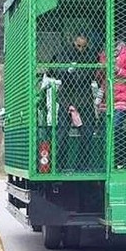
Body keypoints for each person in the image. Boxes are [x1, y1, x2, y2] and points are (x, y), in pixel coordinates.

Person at [49, 34, 97, 171]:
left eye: (84, 46)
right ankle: (59, 164)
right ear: (74, 42)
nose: (81, 49)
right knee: (62, 131)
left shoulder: (90, 54)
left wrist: (80, 70)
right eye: (79, 46)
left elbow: (92, 72)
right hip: (67, 95)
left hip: (84, 96)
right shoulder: (64, 52)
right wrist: (66, 70)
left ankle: (82, 164)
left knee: (88, 132)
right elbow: (53, 70)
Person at [96, 41, 126, 168]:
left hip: (121, 96)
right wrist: (101, 69)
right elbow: (98, 77)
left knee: (115, 127)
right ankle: (106, 161)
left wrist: (118, 70)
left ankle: (117, 159)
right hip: (107, 96)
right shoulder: (103, 55)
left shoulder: (125, 54)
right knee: (105, 129)